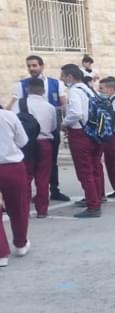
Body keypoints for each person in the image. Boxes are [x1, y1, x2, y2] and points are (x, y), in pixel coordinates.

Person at [8, 55, 70, 203]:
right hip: (29, 131)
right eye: (29, 65)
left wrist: (65, 124)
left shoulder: (56, 83)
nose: (31, 68)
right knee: (31, 165)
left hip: (50, 127)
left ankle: (54, 190)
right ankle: (34, 196)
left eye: (34, 65)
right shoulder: (22, 85)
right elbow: (14, 105)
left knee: (52, 163)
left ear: (41, 66)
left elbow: (64, 104)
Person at [61, 64, 105, 218]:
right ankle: (97, 197)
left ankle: (93, 205)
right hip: (96, 133)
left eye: (63, 77)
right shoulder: (89, 89)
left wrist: (64, 123)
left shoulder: (74, 91)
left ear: (70, 77)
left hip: (81, 134)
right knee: (94, 168)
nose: (62, 80)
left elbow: (75, 113)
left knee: (85, 171)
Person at [14, 78, 57, 218]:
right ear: (43, 90)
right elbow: (53, 127)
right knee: (43, 178)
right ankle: (42, 210)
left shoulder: (20, 104)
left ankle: (23, 209)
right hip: (45, 143)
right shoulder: (49, 107)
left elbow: (15, 123)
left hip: (27, 144)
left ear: (28, 89)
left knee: (25, 178)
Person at [0, 104, 31, 268]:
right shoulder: (9, 116)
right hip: (12, 166)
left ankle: (1, 253)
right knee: (18, 207)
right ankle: (20, 243)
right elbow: (23, 140)